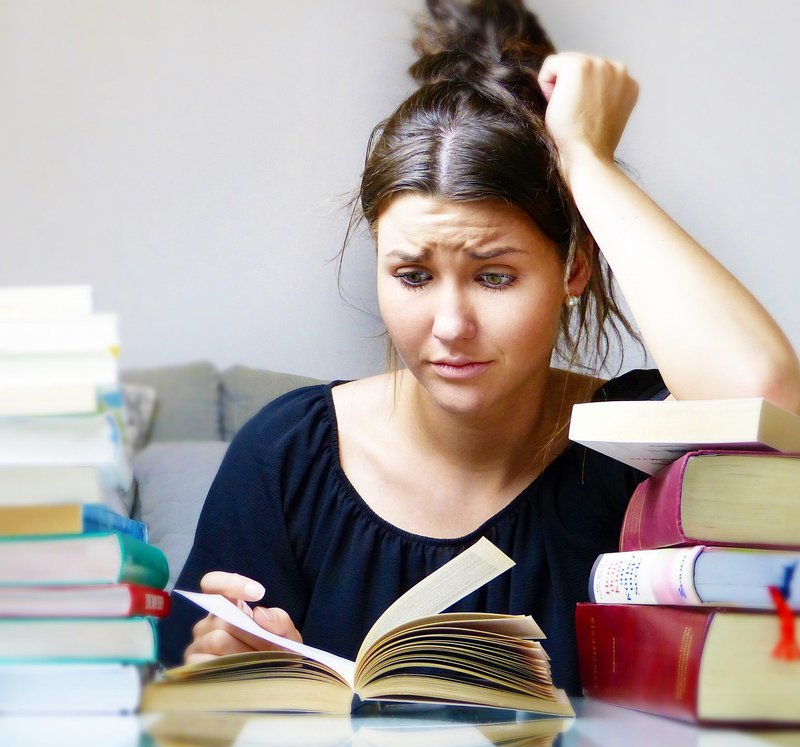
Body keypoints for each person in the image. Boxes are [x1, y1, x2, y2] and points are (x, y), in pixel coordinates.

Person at [157, 0, 800, 695]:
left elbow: (767, 395)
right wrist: (223, 670)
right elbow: (194, 731)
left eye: (495, 276)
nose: (451, 323)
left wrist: (588, 159)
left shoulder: (634, 450)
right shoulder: (286, 455)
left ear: (574, 268)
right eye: (412, 276)